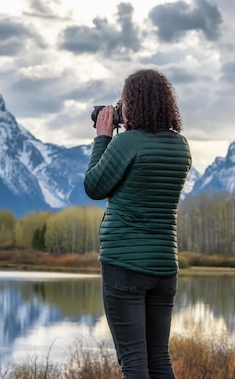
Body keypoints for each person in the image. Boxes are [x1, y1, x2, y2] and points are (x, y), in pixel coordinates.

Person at [84, 69, 192, 379]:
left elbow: (94, 187)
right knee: (159, 359)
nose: (120, 105)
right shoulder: (181, 146)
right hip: (163, 267)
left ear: (136, 102)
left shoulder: (127, 143)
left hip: (124, 264)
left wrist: (103, 138)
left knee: (133, 362)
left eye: (124, 99)